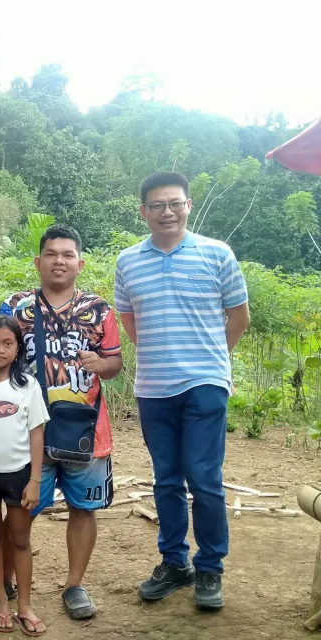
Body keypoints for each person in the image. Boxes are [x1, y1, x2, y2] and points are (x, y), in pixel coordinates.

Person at [0, 225, 123, 621]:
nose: (60, 260)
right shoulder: (16, 306)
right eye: (52, 254)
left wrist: (101, 364)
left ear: (80, 262)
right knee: (18, 507)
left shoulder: (100, 309)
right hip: (27, 433)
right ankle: (3, 580)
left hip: (86, 433)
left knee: (83, 508)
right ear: (38, 261)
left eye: (68, 254)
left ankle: (74, 585)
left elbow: (115, 364)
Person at [115, 172, 250, 610]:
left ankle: (210, 568)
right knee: (166, 479)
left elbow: (239, 316)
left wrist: (210, 359)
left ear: (188, 205)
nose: (167, 212)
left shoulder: (217, 253)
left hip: (206, 384)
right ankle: (176, 563)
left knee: (204, 479)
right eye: (157, 206)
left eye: (175, 203)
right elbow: (131, 324)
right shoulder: (128, 261)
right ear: (144, 212)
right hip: (154, 388)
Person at [0, 315, 49, 636]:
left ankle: (25, 606)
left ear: (18, 347)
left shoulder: (27, 385)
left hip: (19, 477)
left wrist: (35, 480)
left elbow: (37, 434)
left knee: (20, 539)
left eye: (7, 343)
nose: (0, 350)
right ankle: (1, 601)